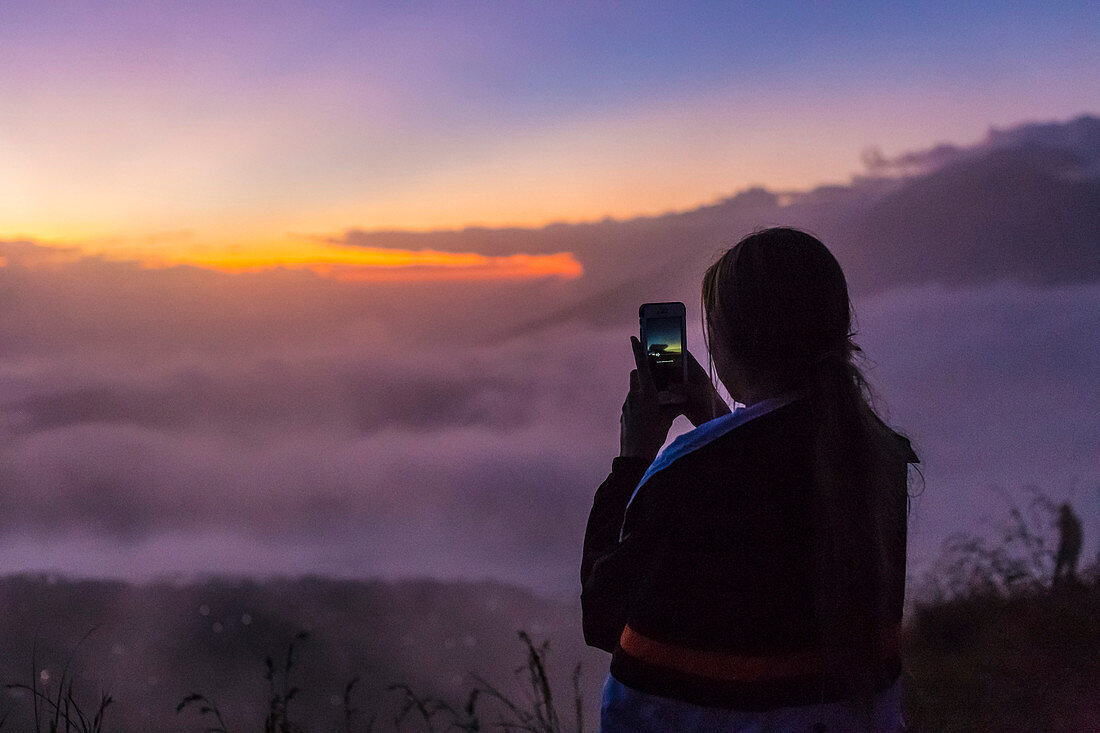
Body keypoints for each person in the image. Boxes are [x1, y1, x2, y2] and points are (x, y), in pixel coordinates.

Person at [581, 228, 918, 732]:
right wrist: (718, 420)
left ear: (737, 342)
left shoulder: (689, 477)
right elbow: (773, 500)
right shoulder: (874, 456)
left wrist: (633, 459)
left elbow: (605, 614)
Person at [1053, 502, 1083, 586]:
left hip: (1069, 547)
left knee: (1063, 568)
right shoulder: (1070, 520)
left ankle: (1065, 586)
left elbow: (1071, 535)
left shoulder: (1069, 520)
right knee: (1064, 568)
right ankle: (1064, 585)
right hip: (1070, 547)